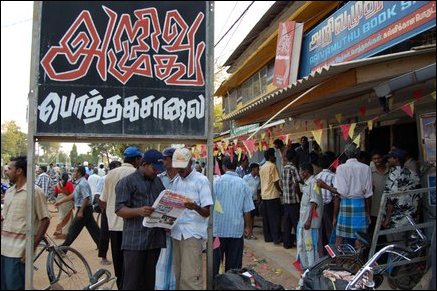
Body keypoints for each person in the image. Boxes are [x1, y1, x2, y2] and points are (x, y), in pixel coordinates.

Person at [115, 149, 166, 290]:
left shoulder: (158, 182)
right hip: (134, 241)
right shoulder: (127, 182)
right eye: (154, 168)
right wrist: (138, 211)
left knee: (149, 282)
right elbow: (119, 210)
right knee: (132, 282)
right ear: (143, 164)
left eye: (158, 169)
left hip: (154, 239)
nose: (156, 172)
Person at [1, 156, 50, 290]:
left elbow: (45, 220)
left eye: (9, 169)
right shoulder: (9, 192)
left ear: (19, 171)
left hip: (19, 251)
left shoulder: (35, 192)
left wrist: (31, 247)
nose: (6, 171)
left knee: (15, 286)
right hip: (3, 248)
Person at [99, 146, 143, 290]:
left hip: (113, 226)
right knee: (132, 265)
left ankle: (120, 287)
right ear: (137, 159)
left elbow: (103, 200)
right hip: (132, 226)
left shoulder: (110, 174)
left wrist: (110, 213)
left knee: (118, 264)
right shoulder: (137, 174)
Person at [171, 148, 213, 290]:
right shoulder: (176, 181)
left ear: (190, 163)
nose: (179, 170)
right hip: (177, 233)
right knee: (179, 275)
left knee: (191, 277)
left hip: (192, 234)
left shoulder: (201, 180)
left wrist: (195, 207)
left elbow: (207, 212)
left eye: (182, 167)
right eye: (177, 167)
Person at [317, 143, 372, 247]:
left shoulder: (340, 168)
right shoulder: (366, 168)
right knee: (359, 239)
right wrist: (368, 214)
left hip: (345, 205)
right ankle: (357, 262)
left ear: (345, 153)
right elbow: (368, 195)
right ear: (358, 153)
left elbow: (339, 192)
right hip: (360, 205)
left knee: (340, 237)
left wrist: (326, 186)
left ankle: (338, 261)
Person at [213, 155, 254, 277]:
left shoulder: (216, 182)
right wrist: (248, 228)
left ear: (223, 166)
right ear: (236, 166)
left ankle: (215, 286)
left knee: (215, 266)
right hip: (236, 231)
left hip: (217, 231)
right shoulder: (243, 184)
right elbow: (247, 210)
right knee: (234, 268)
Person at [57, 166, 101, 249]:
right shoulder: (79, 183)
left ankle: (64, 248)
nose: (73, 173)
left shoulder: (83, 183)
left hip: (84, 209)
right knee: (93, 229)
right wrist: (61, 201)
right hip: (85, 209)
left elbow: (86, 197)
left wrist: (81, 211)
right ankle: (101, 245)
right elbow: (73, 195)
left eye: (75, 171)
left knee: (73, 229)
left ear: (79, 173)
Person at [382, 148, 420, 239]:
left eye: (390, 158)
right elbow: (419, 195)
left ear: (396, 159)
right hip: (410, 218)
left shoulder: (394, 174)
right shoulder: (412, 174)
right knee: (407, 246)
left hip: (396, 219)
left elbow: (391, 198)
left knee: (395, 246)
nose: (388, 160)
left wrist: (387, 218)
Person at [155, 147, 178, 290]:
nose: (163, 162)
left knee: (176, 261)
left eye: (165, 159)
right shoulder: (158, 178)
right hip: (160, 226)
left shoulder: (182, 178)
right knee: (161, 260)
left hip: (178, 226)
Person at [296, 163, 323, 270]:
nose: (300, 173)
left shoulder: (314, 183)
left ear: (307, 171)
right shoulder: (307, 183)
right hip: (304, 221)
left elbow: (314, 203)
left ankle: (312, 268)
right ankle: (306, 267)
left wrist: (308, 220)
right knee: (304, 245)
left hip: (310, 223)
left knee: (310, 246)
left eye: (301, 171)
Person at [95, 161, 121, 266]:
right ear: (113, 168)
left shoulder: (119, 178)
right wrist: (103, 209)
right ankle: (103, 256)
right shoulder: (104, 178)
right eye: (118, 167)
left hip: (118, 210)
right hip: (107, 209)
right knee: (105, 234)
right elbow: (97, 195)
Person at [259, 148, 282, 244]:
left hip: (264, 195)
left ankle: (267, 237)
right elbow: (276, 181)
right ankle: (276, 238)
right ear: (270, 156)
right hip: (273, 195)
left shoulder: (262, 167)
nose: (275, 157)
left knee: (266, 218)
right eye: (274, 155)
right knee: (275, 218)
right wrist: (281, 191)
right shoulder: (273, 166)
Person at [315, 153, 336, 256]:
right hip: (329, 207)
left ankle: (322, 254)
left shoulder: (317, 176)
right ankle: (331, 255)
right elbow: (336, 194)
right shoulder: (333, 176)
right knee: (330, 232)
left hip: (319, 207)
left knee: (321, 232)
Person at [281, 148, 302, 249]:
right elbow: (296, 184)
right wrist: (300, 196)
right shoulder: (293, 168)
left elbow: (281, 183)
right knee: (296, 222)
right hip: (293, 199)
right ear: (294, 158)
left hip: (286, 200)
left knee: (287, 223)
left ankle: (287, 243)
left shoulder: (284, 168)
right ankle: (299, 243)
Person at [369, 150, 389, 234]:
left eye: (379, 158)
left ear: (383, 158)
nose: (377, 160)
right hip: (374, 205)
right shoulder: (369, 170)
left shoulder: (390, 169)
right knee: (375, 229)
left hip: (388, 204)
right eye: (374, 159)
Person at [53, 172, 75, 239]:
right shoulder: (69, 184)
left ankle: (59, 231)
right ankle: (66, 232)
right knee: (68, 217)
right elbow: (72, 194)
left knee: (61, 216)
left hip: (60, 201)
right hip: (67, 202)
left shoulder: (57, 184)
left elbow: (55, 194)